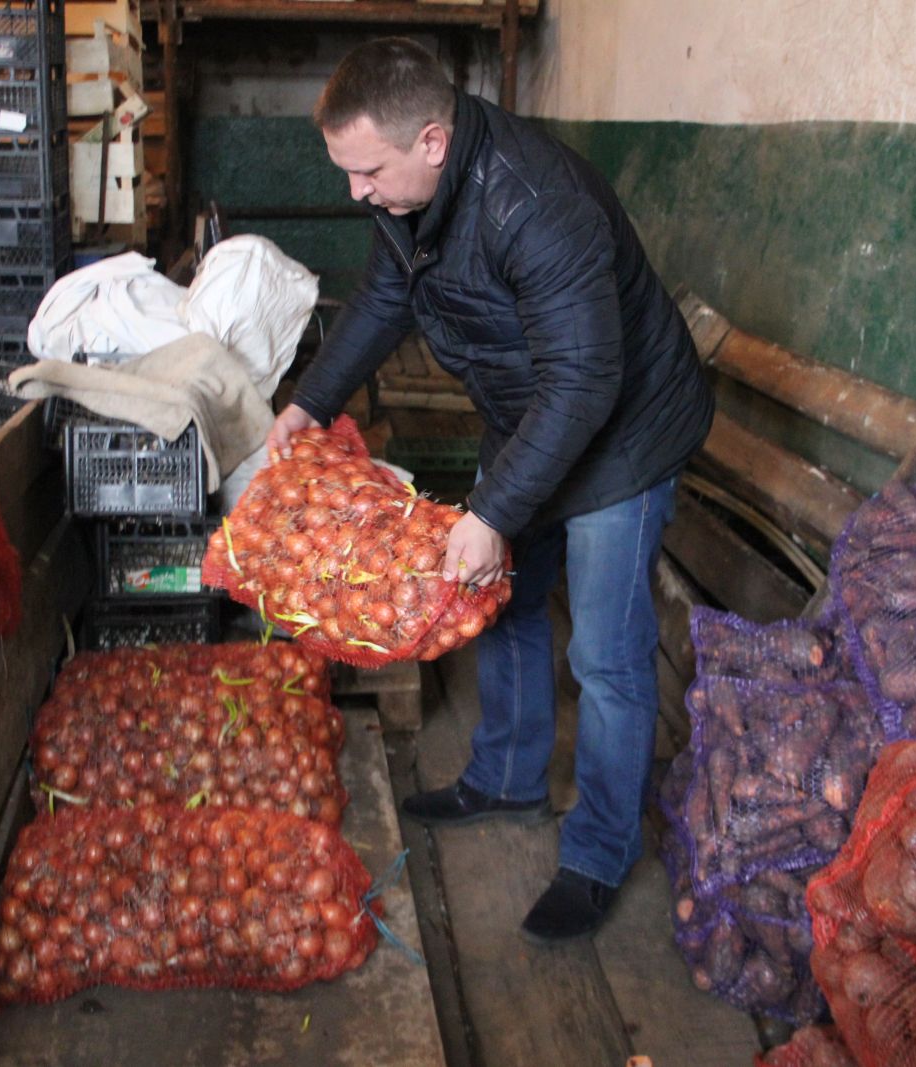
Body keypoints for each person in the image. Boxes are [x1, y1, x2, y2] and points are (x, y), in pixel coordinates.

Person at [265, 37, 714, 944]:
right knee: (495, 601)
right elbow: (386, 297)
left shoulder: (535, 203)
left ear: (432, 140)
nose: (357, 191)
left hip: (623, 432)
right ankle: (507, 779)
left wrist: (494, 510)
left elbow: (587, 378)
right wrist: (309, 403)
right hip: (533, 412)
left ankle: (595, 853)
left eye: (367, 171)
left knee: (608, 658)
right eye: (347, 171)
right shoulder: (412, 195)